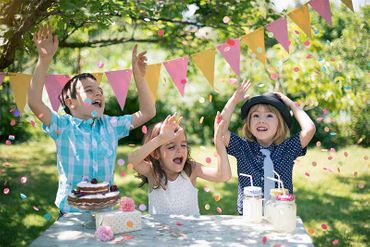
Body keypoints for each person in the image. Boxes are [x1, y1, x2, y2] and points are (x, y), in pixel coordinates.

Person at [27, 25, 156, 214]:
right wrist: (44, 60)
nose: (98, 94)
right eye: (89, 90)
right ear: (71, 103)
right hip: (71, 213)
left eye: (100, 91)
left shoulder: (110, 125)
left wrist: (138, 77)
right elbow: (35, 102)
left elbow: (147, 111)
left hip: (105, 212)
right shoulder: (62, 126)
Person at [220, 80, 316, 215]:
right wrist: (234, 100)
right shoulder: (242, 148)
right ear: (248, 123)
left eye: (269, 115)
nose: (261, 120)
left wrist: (290, 104)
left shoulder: (288, 148)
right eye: (256, 115)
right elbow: (220, 130)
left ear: (280, 123)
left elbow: (309, 128)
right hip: (250, 215)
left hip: (281, 214)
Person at [127, 112, 231, 215]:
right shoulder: (152, 172)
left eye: (183, 145)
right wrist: (160, 139)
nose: (180, 150)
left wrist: (219, 143)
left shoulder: (192, 169)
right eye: (171, 147)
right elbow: (132, 160)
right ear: (156, 154)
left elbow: (223, 175)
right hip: (161, 231)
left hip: (190, 230)